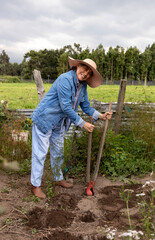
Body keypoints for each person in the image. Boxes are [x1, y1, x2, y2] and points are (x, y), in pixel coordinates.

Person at [31, 56, 112, 198]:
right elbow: (65, 107)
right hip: (45, 119)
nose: (86, 73)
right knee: (40, 153)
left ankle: (58, 178)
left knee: (58, 151)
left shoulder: (83, 86)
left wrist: (101, 115)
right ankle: (35, 185)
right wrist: (83, 123)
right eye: (84, 69)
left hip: (59, 123)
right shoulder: (65, 79)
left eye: (89, 73)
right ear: (77, 66)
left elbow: (85, 106)